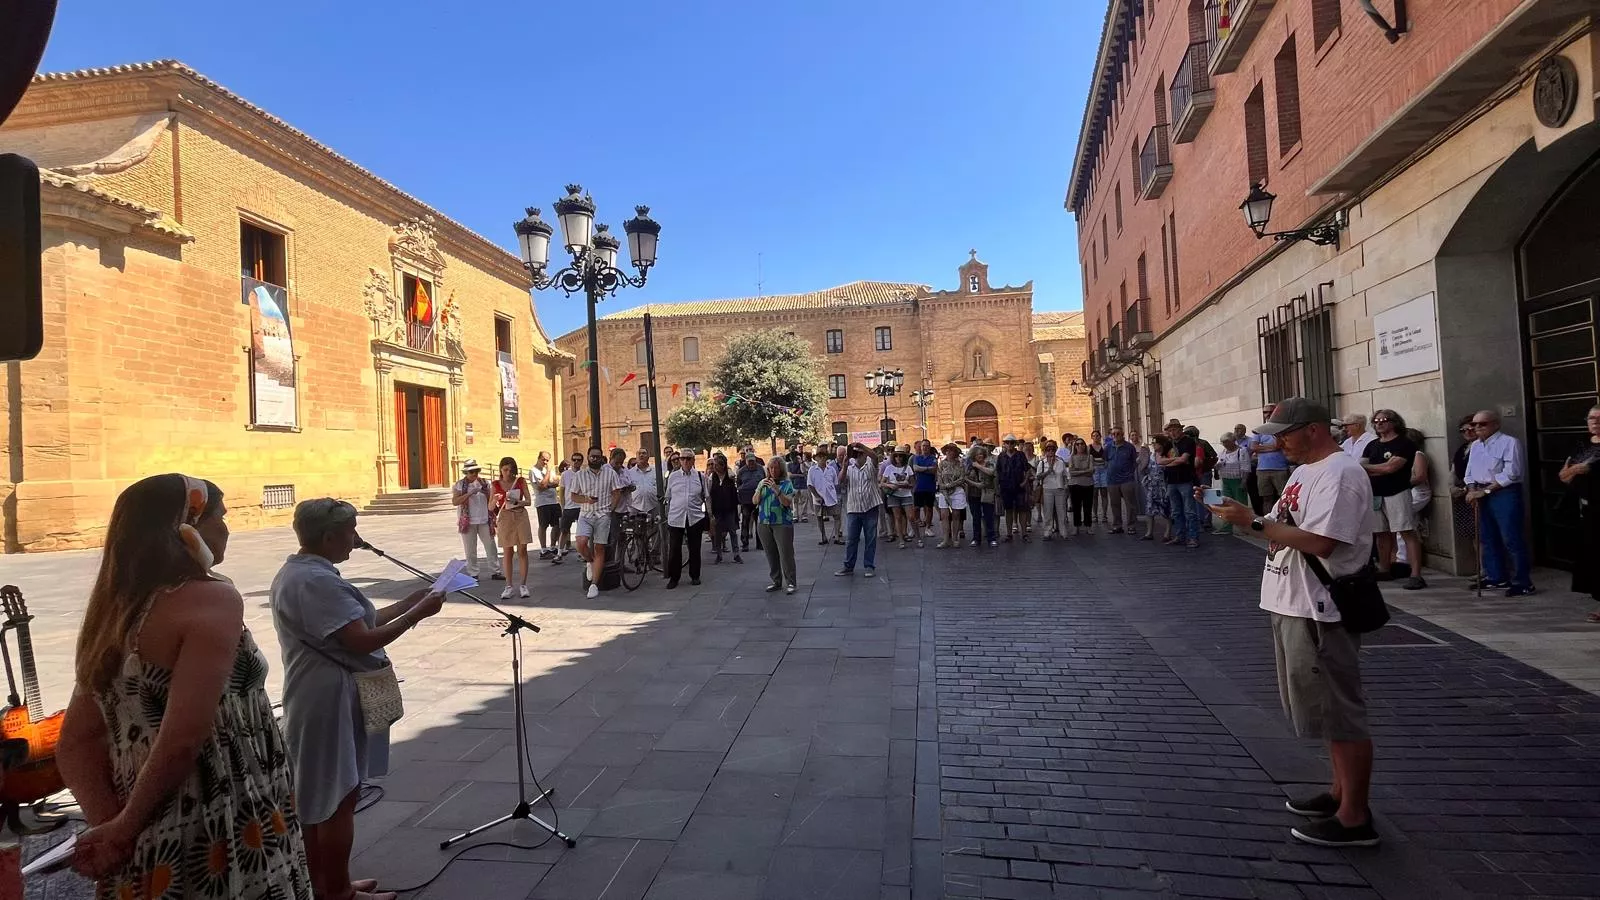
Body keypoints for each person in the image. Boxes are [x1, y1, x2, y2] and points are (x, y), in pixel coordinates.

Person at [60, 475, 315, 899]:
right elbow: (183, 739)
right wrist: (122, 827)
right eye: (221, 516)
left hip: (140, 812)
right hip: (216, 807)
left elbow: (76, 741)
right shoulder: (211, 599)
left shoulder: (116, 609)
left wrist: (116, 826)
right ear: (189, 528)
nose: (227, 529)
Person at [1204, 397, 1380, 848]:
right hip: (1293, 600)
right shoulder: (1304, 472)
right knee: (1322, 710)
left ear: (1315, 429)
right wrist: (1246, 518)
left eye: (1285, 433)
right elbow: (1281, 521)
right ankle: (1339, 792)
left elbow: (1321, 542)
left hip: (1321, 605)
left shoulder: (1341, 474)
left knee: (1342, 711)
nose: (1278, 441)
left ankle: (1355, 817)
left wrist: (1253, 524)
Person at [271, 498, 446, 900]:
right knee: (336, 797)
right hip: (325, 698)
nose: (356, 539)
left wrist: (410, 604)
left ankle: (329, 884)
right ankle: (336, 893)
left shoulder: (305, 574)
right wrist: (419, 614)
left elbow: (357, 621)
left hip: (321, 692)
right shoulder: (316, 581)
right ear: (329, 536)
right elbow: (362, 639)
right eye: (350, 531)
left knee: (324, 795)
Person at [1464, 410, 1535, 596]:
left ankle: (1523, 581)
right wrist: (1472, 490)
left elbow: (1512, 472)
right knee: (1487, 537)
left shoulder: (1509, 442)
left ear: (1495, 424)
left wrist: (1485, 491)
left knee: (1511, 537)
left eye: (1482, 424)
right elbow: (1469, 471)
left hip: (1503, 492)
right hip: (1481, 492)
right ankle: (1496, 576)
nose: (1477, 428)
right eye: (1474, 424)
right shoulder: (1475, 446)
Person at [1360, 410, 1425, 590]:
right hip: (1376, 493)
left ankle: (1416, 574)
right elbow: (1360, 466)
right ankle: (1385, 568)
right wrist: (1375, 468)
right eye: (1376, 420)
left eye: (1384, 420)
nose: (1379, 423)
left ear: (1395, 422)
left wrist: (1371, 468)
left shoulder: (1404, 444)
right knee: (1381, 533)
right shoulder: (1372, 445)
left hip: (1397, 491)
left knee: (1406, 531)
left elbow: (1391, 467)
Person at [1558, 406, 1600, 621]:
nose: (1595, 422)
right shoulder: (1582, 444)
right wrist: (1575, 470)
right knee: (1592, 555)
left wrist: (1580, 470)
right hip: (1587, 507)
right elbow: (1566, 473)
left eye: (1599, 418)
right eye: (1591, 418)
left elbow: (1584, 469)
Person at [570, 446, 624, 599]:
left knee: (600, 547)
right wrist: (586, 499)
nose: (595, 459)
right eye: (592, 456)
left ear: (602, 458)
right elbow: (574, 496)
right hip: (586, 513)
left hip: (602, 514)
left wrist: (610, 509)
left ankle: (594, 584)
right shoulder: (580, 475)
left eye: (597, 456)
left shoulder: (610, 473)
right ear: (588, 457)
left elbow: (616, 492)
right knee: (580, 543)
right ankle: (590, 561)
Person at [663, 450, 711, 589]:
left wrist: (710, 515)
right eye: (682, 458)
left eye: (687, 458)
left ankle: (695, 575)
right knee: (674, 549)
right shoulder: (673, 477)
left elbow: (706, 497)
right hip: (676, 517)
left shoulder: (700, 477)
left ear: (693, 460)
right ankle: (674, 577)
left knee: (695, 548)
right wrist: (667, 514)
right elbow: (668, 496)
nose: (684, 461)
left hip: (695, 517)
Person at [835, 444, 884, 577]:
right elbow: (840, 481)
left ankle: (869, 566)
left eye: (860, 454)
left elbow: (875, 456)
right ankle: (848, 566)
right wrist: (844, 466)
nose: (857, 456)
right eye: (855, 454)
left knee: (870, 538)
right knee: (851, 539)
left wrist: (863, 447)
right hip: (854, 508)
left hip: (871, 506)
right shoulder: (849, 468)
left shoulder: (871, 467)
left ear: (864, 455)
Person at [491, 457, 533, 600]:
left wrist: (518, 501)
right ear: (501, 470)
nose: (508, 473)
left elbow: (528, 501)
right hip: (505, 517)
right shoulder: (495, 484)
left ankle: (523, 584)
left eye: (510, 470)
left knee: (522, 550)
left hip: (520, 515)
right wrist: (495, 500)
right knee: (508, 551)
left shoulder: (520, 481)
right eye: (505, 470)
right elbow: (490, 508)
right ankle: (508, 585)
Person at [452, 460, 502, 580]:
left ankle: (495, 571)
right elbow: (455, 501)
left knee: (491, 546)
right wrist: (469, 494)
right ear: (466, 472)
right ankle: (473, 573)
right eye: (471, 472)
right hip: (468, 521)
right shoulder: (459, 485)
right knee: (470, 549)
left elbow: (491, 498)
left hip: (484, 519)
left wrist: (489, 494)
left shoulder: (485, 483)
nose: (474, 474)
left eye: (476, 471)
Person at [756, 456, 799, 594]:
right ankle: (776, 580)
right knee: (770, 553)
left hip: (782, 523)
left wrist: (776, 489)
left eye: (776, 467)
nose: (773, 470)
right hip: (764, 522)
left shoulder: (787, 484)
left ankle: (791, 582)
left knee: (786, 554)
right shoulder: (763, 482)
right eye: (771, 468)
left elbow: (787, 503)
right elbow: (754, 501)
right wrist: (760, 490)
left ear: (781, 469)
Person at [1161, 420, 1203, 547]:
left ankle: (1193, 537)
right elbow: (1160, 460)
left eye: (1174, 429)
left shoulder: (1188, 442)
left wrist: (1168, 463)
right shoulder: (1168, 443)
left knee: (1190, 511)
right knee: (1176, 511)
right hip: (1172, 481)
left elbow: (1184, 459)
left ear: (1180, 429)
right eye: (1170, 430)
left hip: (1185, 480)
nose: (1172, 432)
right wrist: (1174, 460)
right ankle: (1179, 536)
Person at [1252, 407, 1291, 514]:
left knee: (1284, 497)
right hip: (1262, 469)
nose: (1268, 414)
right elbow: (1254, 447)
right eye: (1265, 412)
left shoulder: (1282, 429)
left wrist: (1262, 447)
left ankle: (1285, 521)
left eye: (1271, 411)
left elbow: (1279, 445)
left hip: (1280, 468)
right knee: (1266, 498)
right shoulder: (1259, 430)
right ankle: (1267, 522)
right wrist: (1272, 448)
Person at [1103, 427, 1139, 534]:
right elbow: (1105, 461)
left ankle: (1131, 525)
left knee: (1130, 504)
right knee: (1114, 504)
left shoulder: (1129, 447)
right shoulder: (1108, 447)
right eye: (1113, 434)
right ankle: (1117, 525)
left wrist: (1129, 473)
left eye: (1118, 434)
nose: (1115, 436)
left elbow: (1134, 462)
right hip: (1112, 480)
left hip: (1127, 479)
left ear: (1122, 434)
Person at [708, 453, 743, 564]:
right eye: (715, 464)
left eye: (718, 464)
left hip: (729, 508)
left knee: (732, 531)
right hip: (717, 509)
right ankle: (719, 555)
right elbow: (709, 495)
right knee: (718, 532)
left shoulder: (730, 476)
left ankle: (736, 554)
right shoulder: (711, 478)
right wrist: (710, 512)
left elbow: (734, 492)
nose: (716, 467)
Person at [995, 435, 1030, 542]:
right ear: (1004, 444)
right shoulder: (1001, 456)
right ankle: (1009, 534)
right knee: (1008, 511)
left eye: (1011, 443)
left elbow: (1027, 469)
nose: (1009, 445)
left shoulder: (1020, 455)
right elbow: (997, 471)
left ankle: (1024, 534)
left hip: (1019, 486)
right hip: (1006, 487)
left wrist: (1025, 482)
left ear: (1015, 444)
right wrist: (998, 486)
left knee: (1022, 510)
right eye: (1007, 443)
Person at [529, 452, 562, 562]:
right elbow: (541, 486)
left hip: (554, 501)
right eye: (543, 459)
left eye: (547, 460)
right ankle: (543, 550)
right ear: (538, 458)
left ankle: (552, 547)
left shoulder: (550, 470)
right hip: (542, 502)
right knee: (543, 525)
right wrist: (547, 475)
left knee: (557, 525)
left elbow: (556, 482)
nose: (545, 462)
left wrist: (548, 483)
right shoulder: (533, 471)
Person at [935, 442, 969, 549]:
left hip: (957, 490)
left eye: (952, 450)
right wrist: (943, 486)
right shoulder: (941, 464)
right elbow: (939, 477)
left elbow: (962, 478)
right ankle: (945, 539)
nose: (949, 452)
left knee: (956, 515)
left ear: (955, 452)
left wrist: (951, 485)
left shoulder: (960, 464)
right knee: (944, 515)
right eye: (948, 450)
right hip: (944, 491)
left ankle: (955, 538)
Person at [1216, 434, 1251, 535]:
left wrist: (1244, 482)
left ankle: (1245, 528)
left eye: (1226, 442)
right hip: (1226, 479)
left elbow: (1246, 467)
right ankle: (1227, 527)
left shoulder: (1241, 451)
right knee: (1226, 504)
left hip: (1238, 480)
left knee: (1240, 505)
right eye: (1223, 442)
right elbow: (1219, 463)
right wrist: (1217, 466)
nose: (1225, 444)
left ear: (1233, 441)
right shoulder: (1223, 452)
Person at [883, 445, 918, 548]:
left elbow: (913, 483)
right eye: (897, 456)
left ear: (904, 457)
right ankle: (901, 540)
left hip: (906, 494)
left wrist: (906, 485)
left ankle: (916, 536)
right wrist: (890, 485)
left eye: (901, 456)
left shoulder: (908, 468)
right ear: (894, 457)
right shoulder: (889, 468)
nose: (898, 458)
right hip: (894, 495)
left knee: (911, 517)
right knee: (897, 517)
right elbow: (882, 483)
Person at [807, 448, 843, 546]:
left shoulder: (831, 469)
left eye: (823, 456)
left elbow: (835, 483)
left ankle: (836, 536)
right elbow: (810, 485)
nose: (822, 459)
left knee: (837, 516)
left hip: (831, 497)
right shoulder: (812, 470)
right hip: (818, 499)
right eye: (820, 457)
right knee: (820, 517)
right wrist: (817, 496)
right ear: (816, 458)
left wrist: (834, 493)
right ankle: (823, 537)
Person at [1141, 435, 1173, 542]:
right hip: (1152, 486)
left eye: (1155, 443)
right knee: (1149, 509)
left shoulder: (1167, 455)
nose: (1153, 445)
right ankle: (1149, 533)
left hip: (1163, 486)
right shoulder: (1151, 456)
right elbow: (1143, 468)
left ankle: (1167, 533)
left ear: (1162, 444)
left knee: (1166, 509)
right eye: (1152, 443)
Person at [1036, 439, 1069, 540]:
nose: (1050, 451)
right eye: (1048, 449)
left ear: (1055, 450)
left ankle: (1063, 532)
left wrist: (1066, 488)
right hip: (1047, 489)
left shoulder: (1060, 462)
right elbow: (1038, 476)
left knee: (1061, 511)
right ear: (1045, 451)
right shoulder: (1042, 463)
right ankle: (1047, 532)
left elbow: (1066, 475)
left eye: (1052, 449)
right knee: (1048, 512)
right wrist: (1048, 471)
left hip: (1059, 489)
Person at [967, 445, 999, 547]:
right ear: (973, 455)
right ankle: (976, 539)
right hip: (974, 493)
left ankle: (991, 538)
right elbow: (964, 477)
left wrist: (979, 466)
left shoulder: (988, 463)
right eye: (977, 454)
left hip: (987, 493)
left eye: (981, 454)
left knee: (989, 516)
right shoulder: (969, 466)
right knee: (976, 517)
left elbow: (991, 472)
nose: (979, 456)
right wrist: (975, 484)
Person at [558, 452, 585, 562]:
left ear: (582, 462)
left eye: (579, 460)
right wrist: (563, 506)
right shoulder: (565, 474)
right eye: (574, 459)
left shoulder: (584, 474)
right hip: (569, 506)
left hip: (581, 506)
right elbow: (562, 490)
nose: (576, 462)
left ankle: (582, 553)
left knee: (581, 532)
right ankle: (559, 552)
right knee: (564, 530)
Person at [1066, 438, 1096, 535]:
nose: (1080, 446)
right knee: (1076, 507)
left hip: (1088, 484)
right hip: (1075, 484)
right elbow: (1071, 472)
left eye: (1082, 444)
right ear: (1075, 446)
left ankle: (1088, 526)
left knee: (1088, 506)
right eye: (1077, 444)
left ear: (1085, 445)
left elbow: (1091, 470)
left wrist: (1078, 471)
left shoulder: (1090, 456)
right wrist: (1085, 471)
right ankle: (1076, 526)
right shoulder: (1072, 457)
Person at [737, 453, 765, 553]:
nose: (752, 463)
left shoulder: (761, 469)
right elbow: (738, 483)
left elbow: (765, 479)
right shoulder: (741, 471)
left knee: (760, 521)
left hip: (759, 498)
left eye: (753, 461)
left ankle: (760, 543)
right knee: (745, 520)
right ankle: (745, 543)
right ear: (746, 461)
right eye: (750, 462)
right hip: (746, 499)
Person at [912, 440, 940, 539]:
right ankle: (914, 527)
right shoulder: (916, 458)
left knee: (929, 508)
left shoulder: (933, 458)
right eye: (923, 446)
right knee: (916, 508)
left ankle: (928, 528)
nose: (924, 447)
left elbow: (934, 470)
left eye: (927, 446)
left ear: (929, 447)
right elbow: (915, 468)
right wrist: (927, 468)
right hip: (918, 486)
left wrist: (922, 469)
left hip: (930, 486)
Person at [788, 451, 812, 524]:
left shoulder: (802, 464)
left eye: (794, 458)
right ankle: (795, 516)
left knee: (804, 501)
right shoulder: (789, 465)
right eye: (792, 458)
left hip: (803, 485)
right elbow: (790, 475)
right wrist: (799, 475)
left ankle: (804, 516)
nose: (793, 459)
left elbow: (805, 472)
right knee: (795, 502)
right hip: (794, 485)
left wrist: (801, 463)